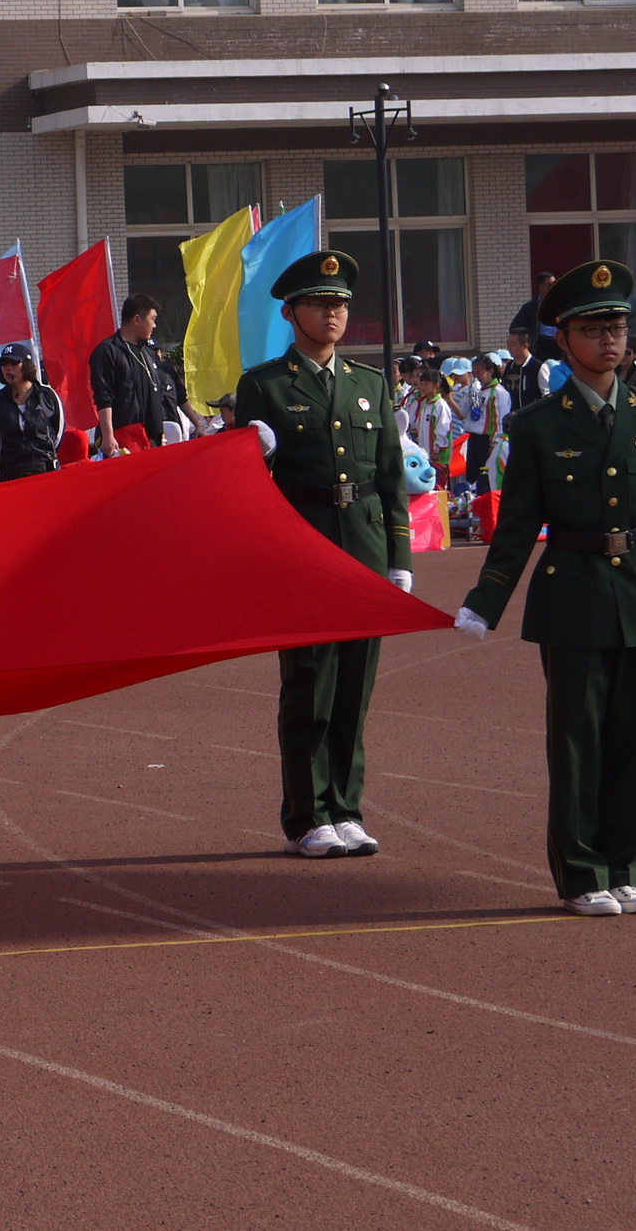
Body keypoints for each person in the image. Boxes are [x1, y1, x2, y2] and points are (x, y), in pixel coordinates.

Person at [455, 261, 636, 918]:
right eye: (593, 328)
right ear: (565, 339)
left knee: (633, 740)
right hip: (573, 593)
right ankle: (583, 872)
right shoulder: (538, 425)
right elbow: (519, 524)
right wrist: (486, 599)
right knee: (578, 741)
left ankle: (628, 866)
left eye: (616, 326)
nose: (609, 339)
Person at [234, 249, 413, 859]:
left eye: (340, 304)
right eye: (321, 303)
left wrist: (400, 557)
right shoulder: (264, 385)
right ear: (291, 312)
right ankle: (307, 814)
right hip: (303, 543)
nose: (334, 313)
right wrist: (251, 452)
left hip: (362, 541)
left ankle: (346, 806)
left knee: (356, 684)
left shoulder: (369, 383)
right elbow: (254, 484)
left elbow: (390, 474)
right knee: (310, 681)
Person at [90, 294, 184, 453]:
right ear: (137, 319)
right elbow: (104, 396)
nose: (154, 325)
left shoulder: (148, 353)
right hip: (125, 436)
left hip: (152, 438)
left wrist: (159, 432)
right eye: (152, 319)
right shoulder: (108, 350)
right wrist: (108, 435)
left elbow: (155, 396)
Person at [0, 342, 61, 481]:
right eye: (4, 364)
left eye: (14, 362)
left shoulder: (47, 395)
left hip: (44, 467)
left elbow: (58, 430)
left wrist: (44, 453)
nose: (8, 368)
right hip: (10, 470)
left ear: (27, 365)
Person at [462, 354, 514, 493]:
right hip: (473, 439)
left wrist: (495, 444)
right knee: (472, 477)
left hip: (487, 441)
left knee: (484, 479)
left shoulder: (499, 393)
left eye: (480, 372)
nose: (477, 376)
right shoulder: (476, 391)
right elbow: (463, 413)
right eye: (474, 373)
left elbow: (500, 421)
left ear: (490, 372)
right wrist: (470, 395)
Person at [509, 270, 562, 363]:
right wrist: (528, 338)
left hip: (558, 344)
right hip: (540, 345)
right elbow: (514, 326)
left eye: (555, 284)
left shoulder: (560, 304)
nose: (553, 287)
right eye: (549, 284)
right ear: (541, 286)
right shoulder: (530, 307)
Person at [504, 326, 548, 411]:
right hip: (512, 418)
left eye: (512, 344)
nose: (509, 348)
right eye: (508, 344)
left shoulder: (538, 367)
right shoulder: (509, 367)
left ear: (525, 345)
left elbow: (546, 395)